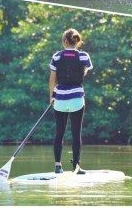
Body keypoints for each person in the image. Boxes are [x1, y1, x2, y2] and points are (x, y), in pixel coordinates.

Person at [49, 28, 93, 174]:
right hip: (76, 99)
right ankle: (76, 167)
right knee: (76, 133)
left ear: (65, 41)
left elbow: (52, 78)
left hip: (60, 99)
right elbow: (84, 71)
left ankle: (57, 165)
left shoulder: (56, 56)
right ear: (77, 42)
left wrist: (51, 96)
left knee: (59, 132)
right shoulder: (83, 56)